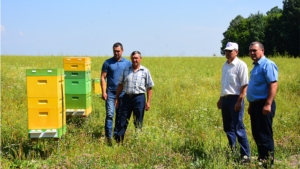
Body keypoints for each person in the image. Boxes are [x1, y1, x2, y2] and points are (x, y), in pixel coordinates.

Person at [217, 42, 251, 163]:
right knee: (228, 128)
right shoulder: (225, 66)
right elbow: (224, 84)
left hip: (236, 99)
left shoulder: (241, 65)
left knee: (238, 127)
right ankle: (234, 151)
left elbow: (244, 84)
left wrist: (239, 101)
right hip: (226, 99)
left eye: (230, 51)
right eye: (226, 51)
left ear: (236, 52)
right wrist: (221, 98)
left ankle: (246, 155)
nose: (227, 53)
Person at [247, 42, 278, 167]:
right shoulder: (255, 67)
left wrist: (268, 104)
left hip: (264, 105)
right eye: (250, 51)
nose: (252, 53)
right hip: (255, 105)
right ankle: (262, 158)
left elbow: (273, 84)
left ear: (262, 50)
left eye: (255, 50)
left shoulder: (267, 65)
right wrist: (250, 104)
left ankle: (268, 163)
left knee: (265, 135)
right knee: (256, 133)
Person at [114, 51, 154, 143]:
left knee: (138, 121)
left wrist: (148, 102)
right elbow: (120, 84)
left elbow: (149, 87)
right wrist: (116, 98)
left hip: (139, 98)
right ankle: (119, 142)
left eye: (136, 58)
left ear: (140, 59)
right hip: (126, 98)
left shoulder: (145, 71)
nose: (134, 60)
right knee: (122, 120)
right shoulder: (126, 70)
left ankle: (137, 141)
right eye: (133, 58)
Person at [100, 42, 131, 145]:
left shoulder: (127, 63)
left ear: (122, 51)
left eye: (118, 51)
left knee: (120, 116)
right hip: (110, 94)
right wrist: (103, 92)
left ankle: (117, 136)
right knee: (110, 114)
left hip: (123, 94)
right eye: (114, 51)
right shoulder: (107, 63)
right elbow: (103, 77)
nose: (116, 53)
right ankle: (108, 137)